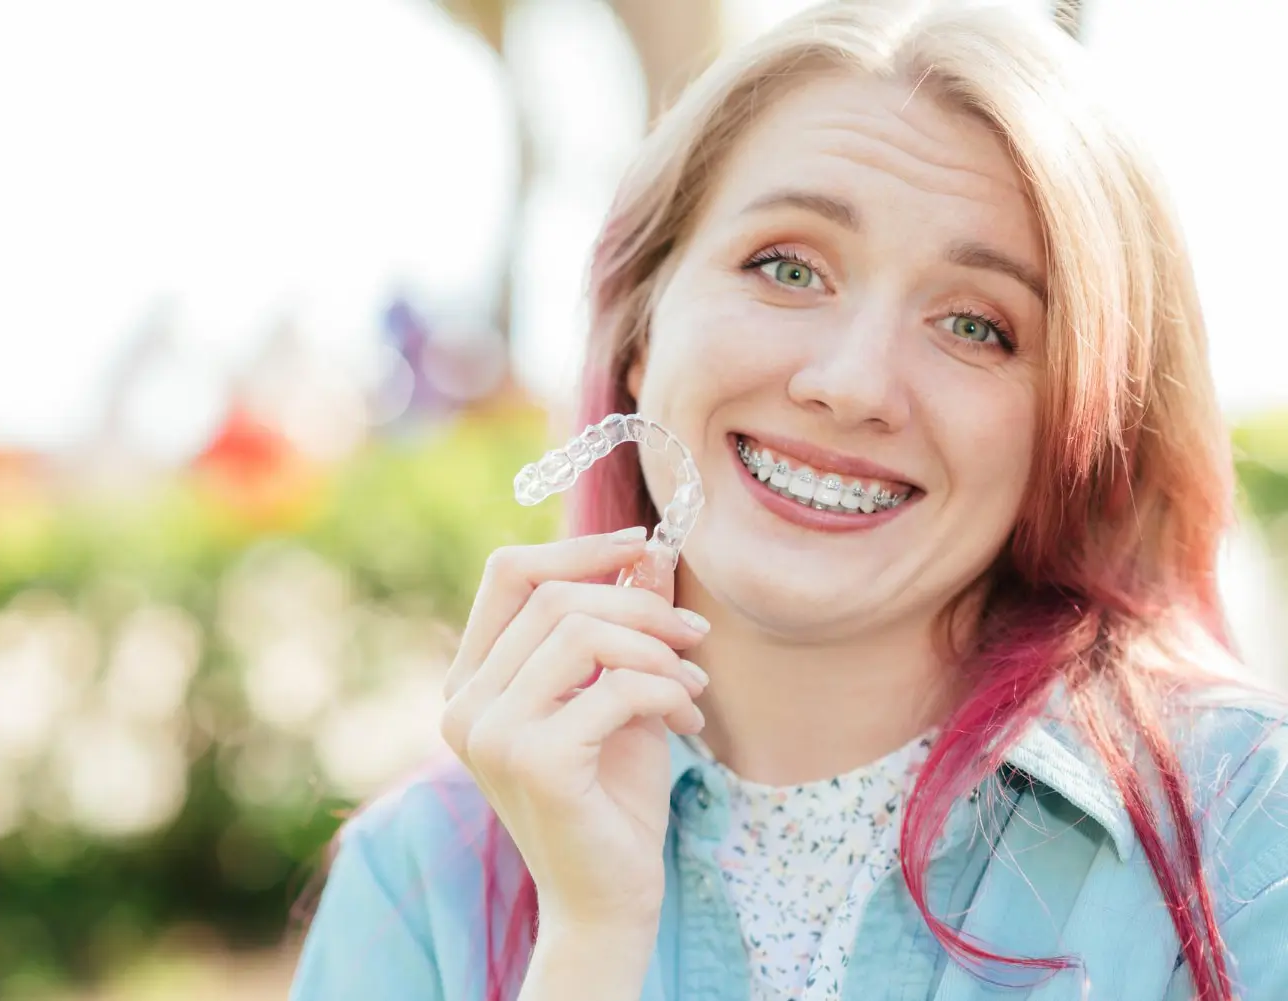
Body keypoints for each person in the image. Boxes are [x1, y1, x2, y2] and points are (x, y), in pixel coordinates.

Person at [289, 1, 1288, 998]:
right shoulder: (416, 884)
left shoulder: (1247, 831)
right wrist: (590, 938)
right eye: (787, 267)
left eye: (978, 326)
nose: (851, 382)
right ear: (642, 327)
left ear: (1076, 430)